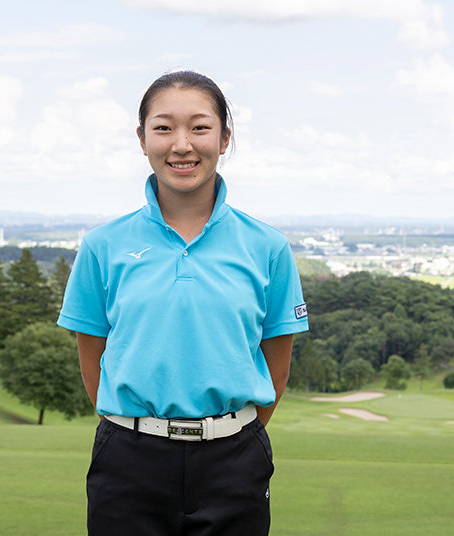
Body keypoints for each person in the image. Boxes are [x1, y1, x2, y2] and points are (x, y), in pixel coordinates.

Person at [57, 70, 309, 536]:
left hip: (235, 459)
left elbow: (277, 364)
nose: (182, 144)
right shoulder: (102, 245)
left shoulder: (267, 246)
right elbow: (92, 359)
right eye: (163, 127)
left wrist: (229, 432)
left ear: (224, 136)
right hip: (128, 458)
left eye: (199, 127)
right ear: (141, 137)